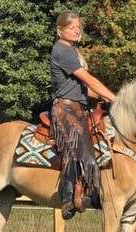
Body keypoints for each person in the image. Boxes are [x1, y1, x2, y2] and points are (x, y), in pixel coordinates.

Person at [50, 10, 116, 220]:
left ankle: (91, 191)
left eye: (78, 27)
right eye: (71, 27)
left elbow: (83, 89)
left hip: (79, 106)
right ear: (60, 30)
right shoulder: (63, 50)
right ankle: (68, 197)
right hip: (66, 109)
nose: (76, 30)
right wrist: (115, 100)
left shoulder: (73, 51)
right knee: (80, 149)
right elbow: (90, 81)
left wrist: (103, 97)